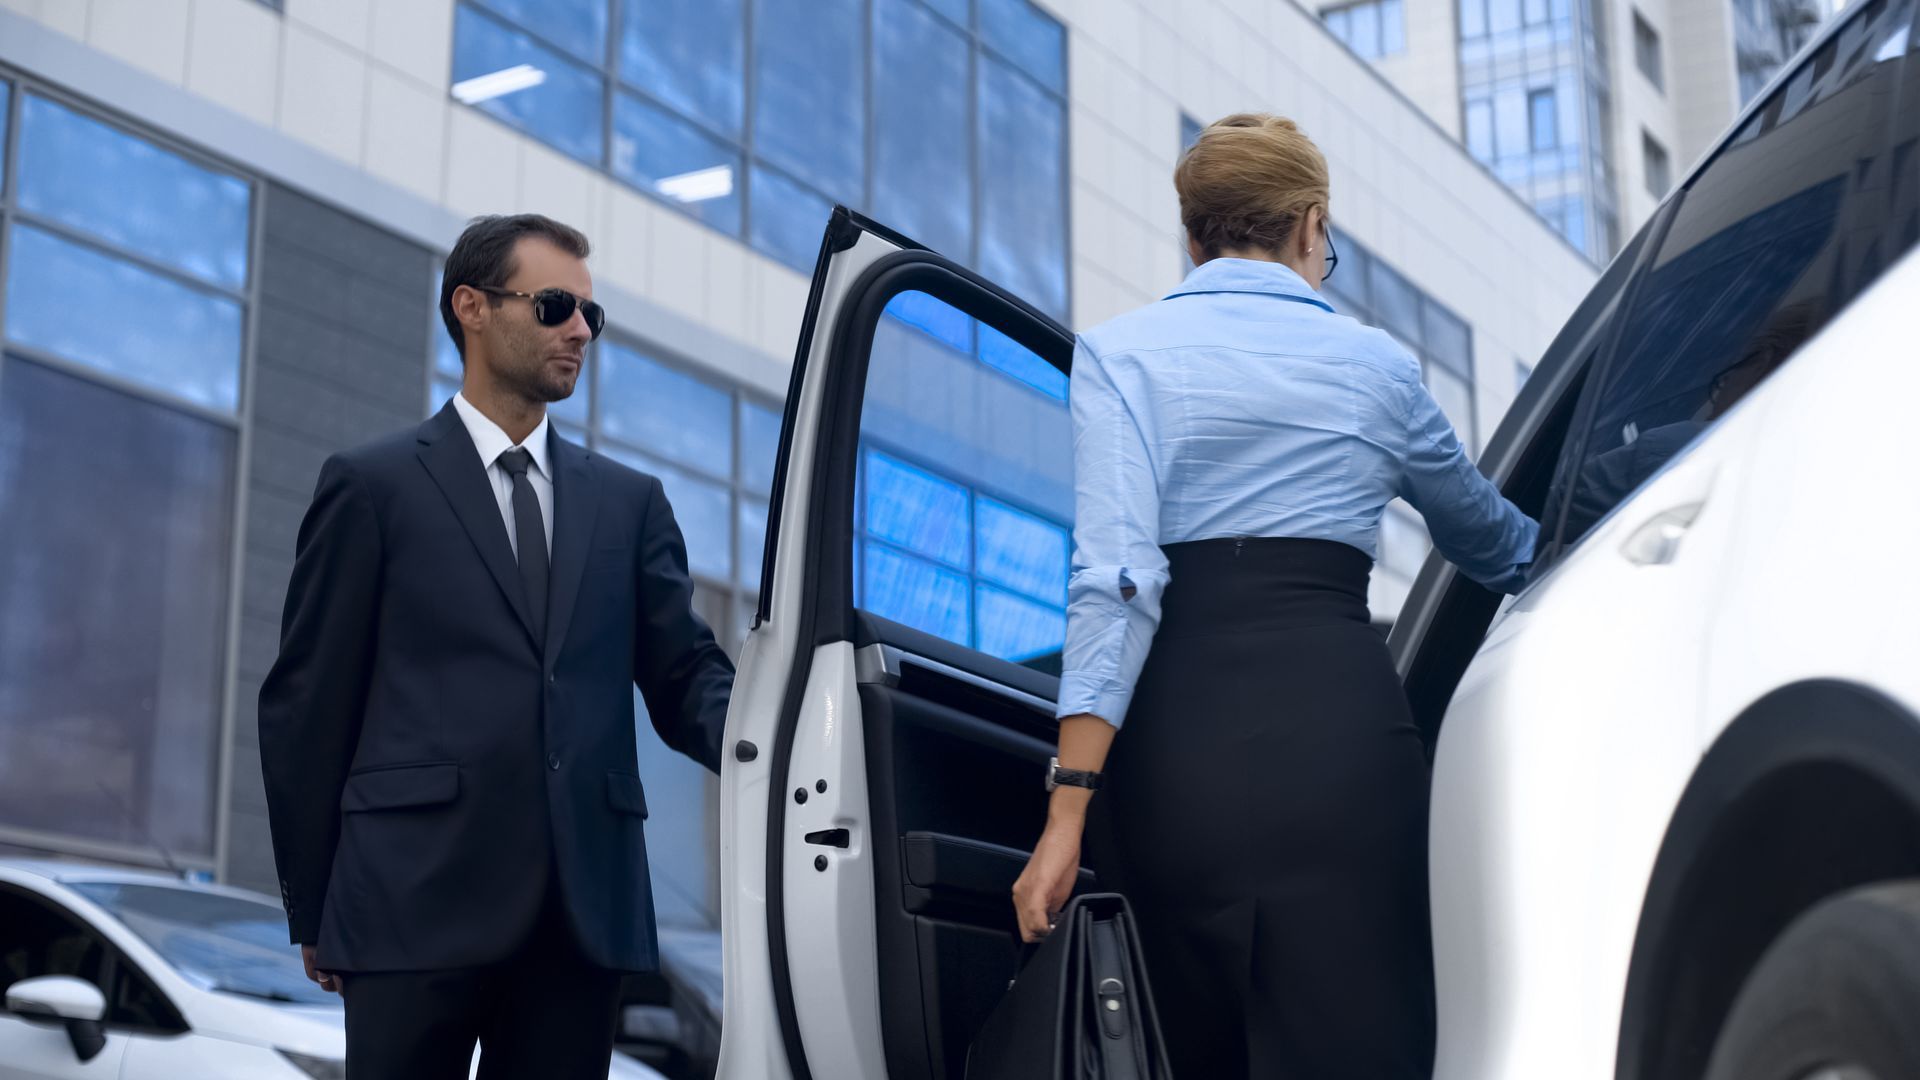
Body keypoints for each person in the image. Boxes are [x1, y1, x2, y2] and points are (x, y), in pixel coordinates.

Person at [1010, 114, 1538, 1078]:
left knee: (1182, 1042)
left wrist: (1067, 809)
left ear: (1193, 234)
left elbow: (1115, 582)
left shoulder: (1121, 356)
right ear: (1311, 225)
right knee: (1361, 1034)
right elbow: (1492, 543)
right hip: (1344, 746)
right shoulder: (1379, 367)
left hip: (1180, 753)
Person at [257, 214, 734, 1079]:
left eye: (593, 315)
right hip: (407, 902)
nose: (581, 332)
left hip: (578, 913)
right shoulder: (372, 486)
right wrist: (317, 904)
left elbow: (686, 676)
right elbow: (307, 703)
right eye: (556, 306)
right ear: (471, 307)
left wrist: (783, 746)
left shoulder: (632, 506)